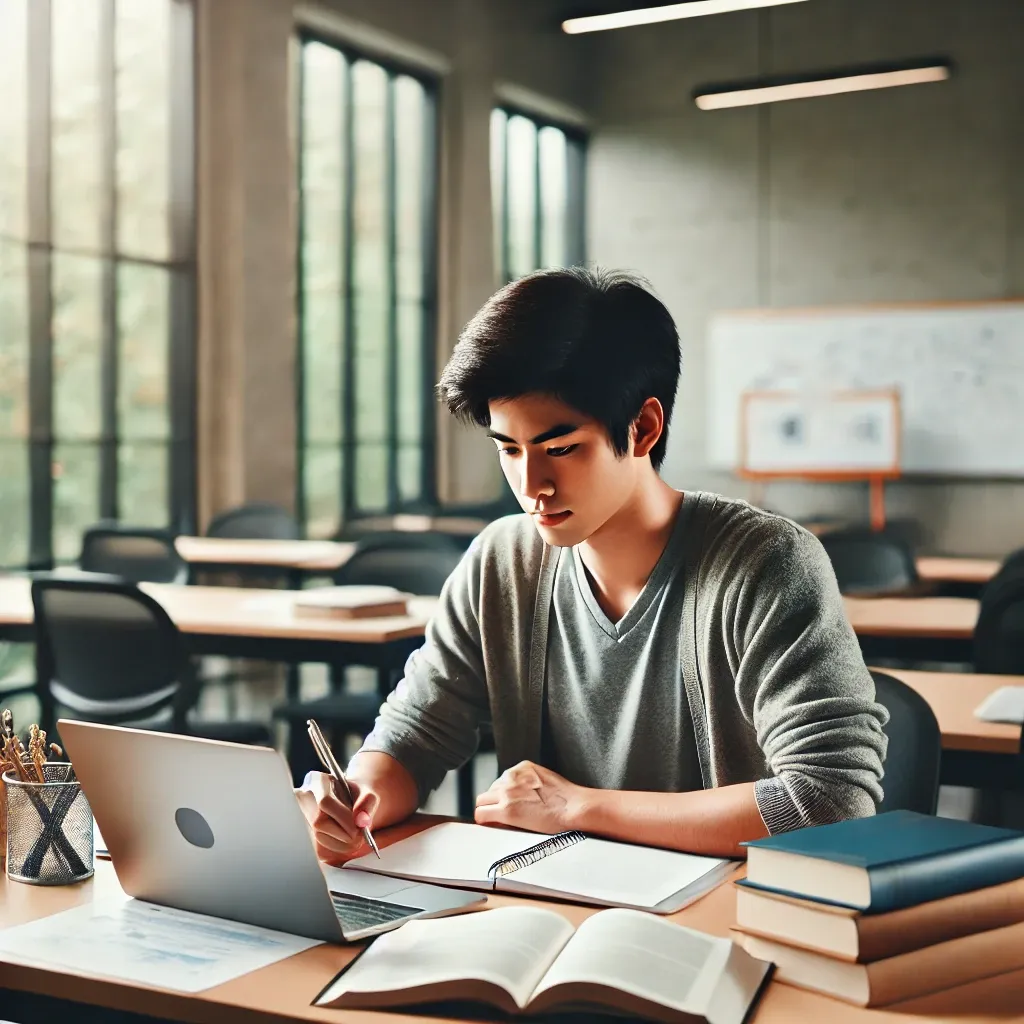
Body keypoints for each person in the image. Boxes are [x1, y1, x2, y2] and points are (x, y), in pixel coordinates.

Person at [296, 267, 888, 862]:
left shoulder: (765, 565)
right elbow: (414, 736)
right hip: (545, 910)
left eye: (560, 449)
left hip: (721, 920)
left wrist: (580, 808)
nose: (532, 486)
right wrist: (354, 799)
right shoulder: (502, 563)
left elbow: (830, 797)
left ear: (643, 427)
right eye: (509, 449)